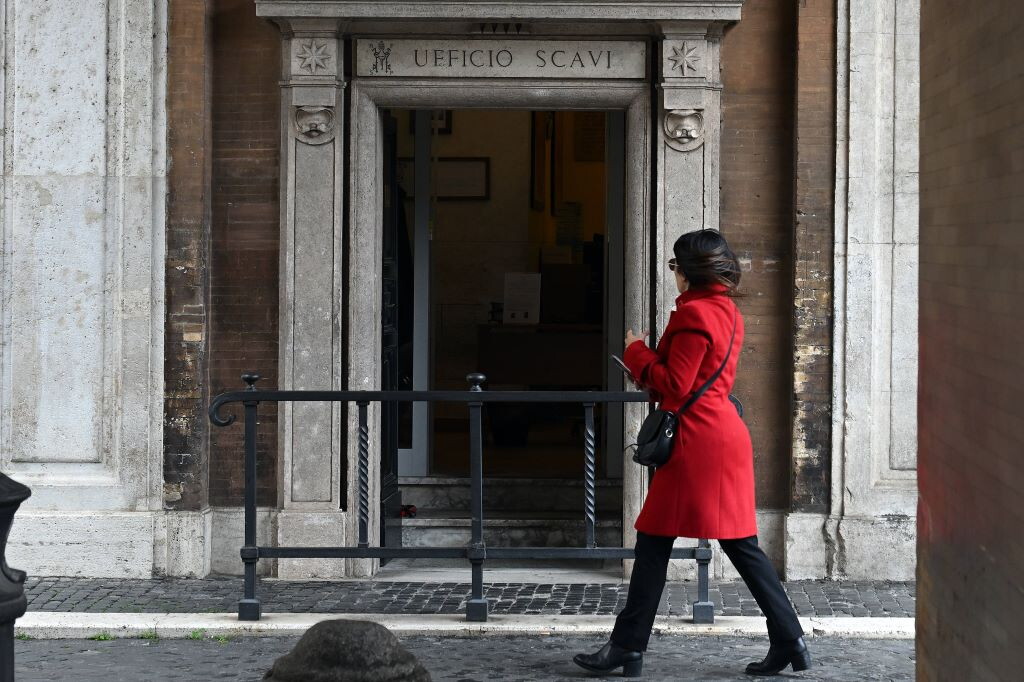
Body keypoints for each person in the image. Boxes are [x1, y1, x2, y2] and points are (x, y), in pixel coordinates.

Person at [573, 230, 810, 677]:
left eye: (675, 266)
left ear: (686, 272)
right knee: (734, 543)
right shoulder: (728, 312)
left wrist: (635, 351)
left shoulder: (693, 315)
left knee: (656, 540)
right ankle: (789, 637)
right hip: (720, 434)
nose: (674, 275)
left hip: (697, 442)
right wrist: (649, 364)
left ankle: (627, 646)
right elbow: (693, 379)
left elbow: (676, 384)